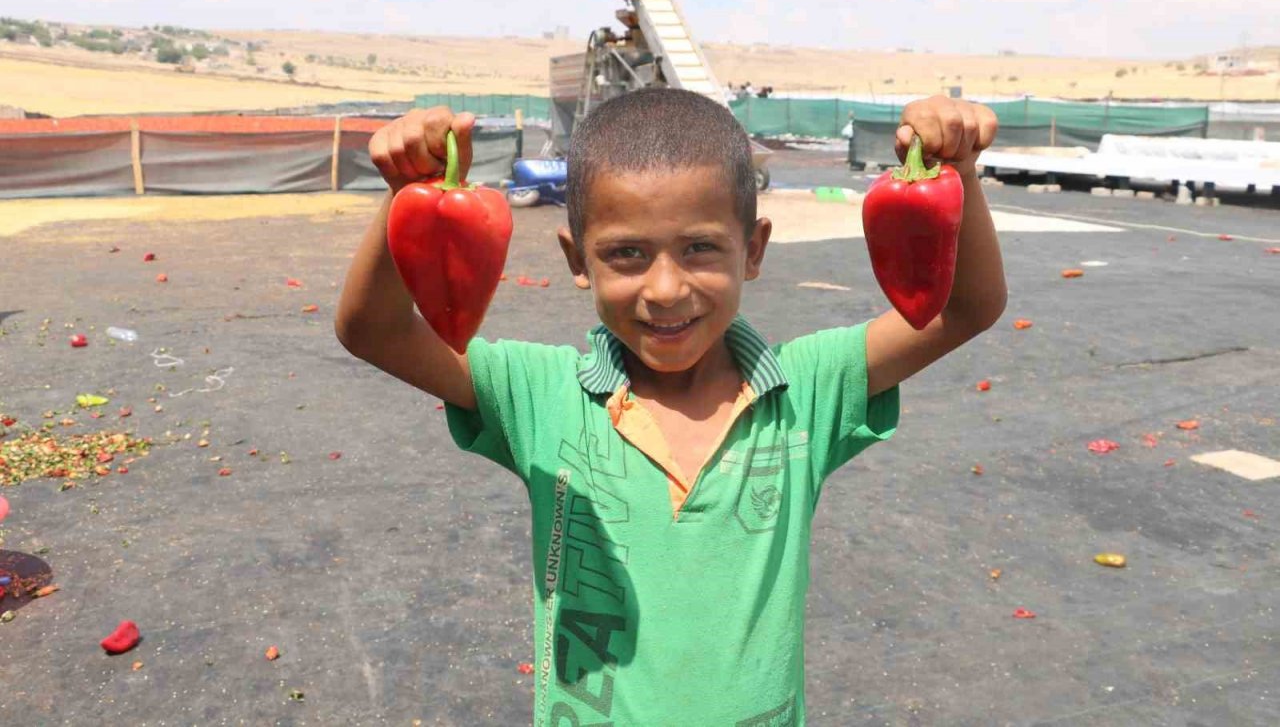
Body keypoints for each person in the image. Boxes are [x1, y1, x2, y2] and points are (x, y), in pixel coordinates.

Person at [335, 89, 1005, 725]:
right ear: (577, 260)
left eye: (699, 248)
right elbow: (373, 329)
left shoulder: (805, 390)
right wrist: (407, 195)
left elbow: (968, 307)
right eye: (626, 254)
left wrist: (961, 172)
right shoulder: (540, 393)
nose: (664, 288)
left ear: (755, 249)